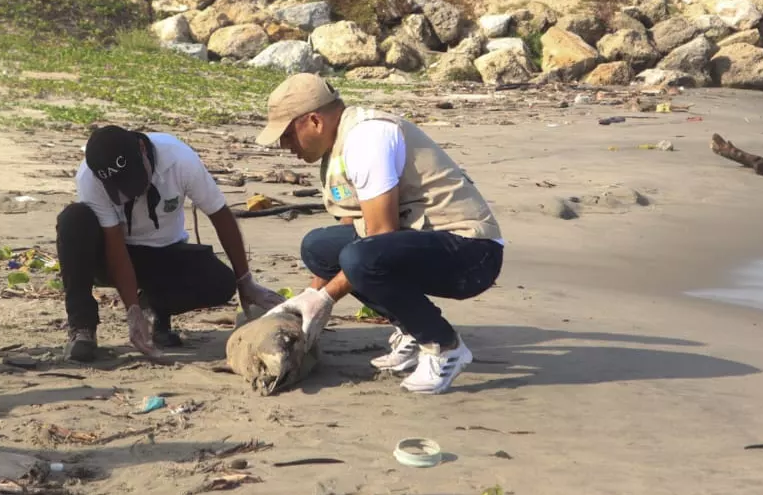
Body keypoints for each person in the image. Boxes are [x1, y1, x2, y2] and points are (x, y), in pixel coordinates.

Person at [257, 74, 505, 395]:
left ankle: (444, 346)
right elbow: (355, 227)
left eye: (288, 134)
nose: (284, 145)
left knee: (361, 259)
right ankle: (412, 330)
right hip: (421, 242)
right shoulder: (339, 144)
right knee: (319, 248)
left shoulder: (366, 140)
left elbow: (380, 237)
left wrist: (326, 298)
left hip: (472, 253)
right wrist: (310, 293)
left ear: (314, 121)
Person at [56, 125, 285, 361]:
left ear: (142, 149)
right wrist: (131, 311)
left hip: (165, 254)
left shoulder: (179, 158)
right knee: (73, 220)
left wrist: (245, 280)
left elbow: (220, 215)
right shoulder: (90, 177)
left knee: (222, 282)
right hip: (114, 257)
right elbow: (114, 244)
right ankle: (82, 327)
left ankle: (155, 308)